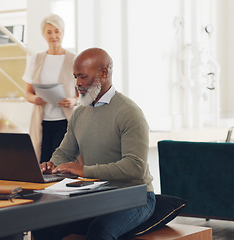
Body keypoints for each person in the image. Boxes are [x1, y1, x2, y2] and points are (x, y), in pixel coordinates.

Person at [32, 48, 156, 240]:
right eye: (75, 77)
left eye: (83, 77)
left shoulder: (129, 112)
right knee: (43, 225)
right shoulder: (80, 113)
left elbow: (135, 167)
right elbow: (65, 152)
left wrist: (85, 171)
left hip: (136, 198)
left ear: (104, 73)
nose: (78, 84)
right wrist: (51, 165)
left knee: (100, 232)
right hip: (98, 196)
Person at [23, 14, 78, 163]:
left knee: (61, 163)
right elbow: (27, 93)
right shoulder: (36, 59)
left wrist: (73, 100)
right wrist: (35, 98)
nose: (53, 36)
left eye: (57, 31)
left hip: (65, 122)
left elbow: (83, 94)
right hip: (42, 121)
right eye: (49, 32)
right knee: (42, 161)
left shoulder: (74, 59)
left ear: (63, 33)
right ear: (43, 35)